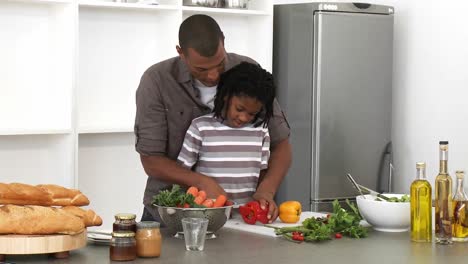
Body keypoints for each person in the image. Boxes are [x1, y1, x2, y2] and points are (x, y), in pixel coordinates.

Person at [134, 14, 291, 223]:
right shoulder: (156, 81)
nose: (213, 76)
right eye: (201, 69)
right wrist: (201, 182)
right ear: (180, 53)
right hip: (169, 215)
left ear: (223, 42)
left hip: (239, 217)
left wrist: (266, 191)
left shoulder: (247, 72)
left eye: (219, 64)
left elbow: (281, 144)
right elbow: (151, 161)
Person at [177, 62, 275, 206]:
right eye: (239, 109)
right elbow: (183, 172)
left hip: (244, 216)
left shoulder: (260, 130)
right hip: (208, 213)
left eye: (252, 113)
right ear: (226, 96)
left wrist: (263, 200)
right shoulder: (200, 127)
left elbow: (262, 173)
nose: (244, 118)